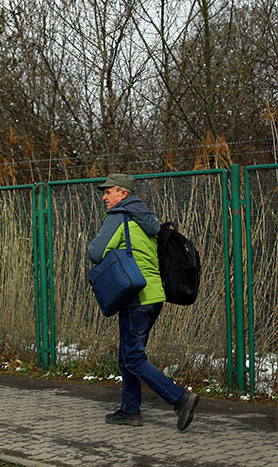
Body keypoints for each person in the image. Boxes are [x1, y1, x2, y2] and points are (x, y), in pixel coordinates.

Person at [87, 173, 199, 431]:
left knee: (133, 357)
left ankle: (180, 399)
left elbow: (95, 253)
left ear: (123, 194)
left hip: (135, 296)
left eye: (109, 192)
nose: (104, 197)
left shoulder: (119, 216)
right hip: (154, 296)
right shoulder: (147, 219)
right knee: (127, 355)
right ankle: (129, 410)